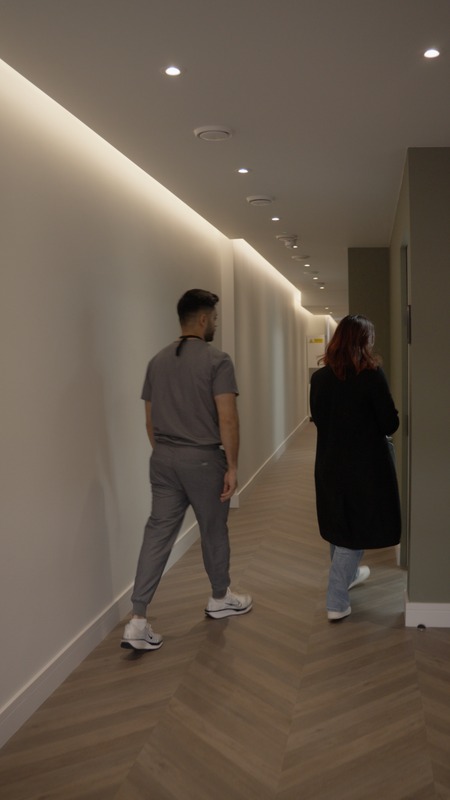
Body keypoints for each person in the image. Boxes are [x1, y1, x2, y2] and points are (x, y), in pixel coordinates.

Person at [121, 289, 252, 651]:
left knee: (157, 533)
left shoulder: (156, 361)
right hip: (204, 459)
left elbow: (149, 421)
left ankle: (137, 619)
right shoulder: (217, 360)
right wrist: (233, 466)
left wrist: (167, 454)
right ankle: (220, 597)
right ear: (203, 319)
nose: (215, 325)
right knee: (213, 530)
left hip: (163, 459)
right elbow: (228, 418)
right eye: (215, 318)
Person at [309, 314, 401, 621]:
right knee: (355, 529)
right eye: (370, 338)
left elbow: (319, 419)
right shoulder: (371, 375)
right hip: (364, 467)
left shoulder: (319, 379)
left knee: (339, 523)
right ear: (363, 341)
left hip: (328, 462)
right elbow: (389, 423)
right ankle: (336, 600)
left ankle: (347, 576)